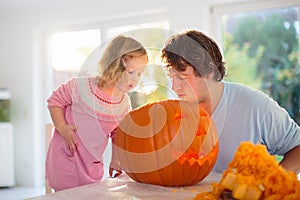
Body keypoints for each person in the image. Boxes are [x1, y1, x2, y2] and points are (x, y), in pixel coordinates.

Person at [160, 29, 300, 174]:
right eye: (171, 78)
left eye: (182, 77)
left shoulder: (254, 105)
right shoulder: (176, 114)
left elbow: (297, 147)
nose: (174, 87)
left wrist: (271, 182)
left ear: (209, 70)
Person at [46, 35, 148, 191]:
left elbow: (118, 135)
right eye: (131, 72)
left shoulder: (123, 104)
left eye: (139, 74)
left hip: (91, 166)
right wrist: (61, 127)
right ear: (114, 65)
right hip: (66, 158)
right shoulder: (82, 85)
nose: (135, 79)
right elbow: (55, 101)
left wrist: (116, 160)